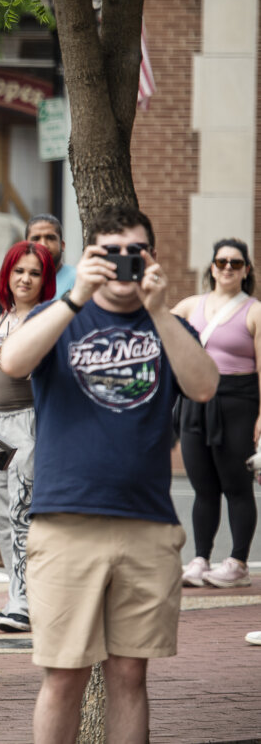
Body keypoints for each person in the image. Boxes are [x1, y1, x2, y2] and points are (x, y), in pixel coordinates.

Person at [0, 205, 218, 743]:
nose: (124, 264)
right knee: (64, 675)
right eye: (110, 252)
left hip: (146, 523)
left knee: (129, 673)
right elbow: (13, 362)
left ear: (153, 258)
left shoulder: (170, 325)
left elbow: (205, 385)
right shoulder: (58, 316)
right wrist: (75, 295)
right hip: (66, 521)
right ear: (90, 255)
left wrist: (160, 311)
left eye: (135, 253)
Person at [172, 238, 260, 588]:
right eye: (221, 262)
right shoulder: (192, 304)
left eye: (235, 263)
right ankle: (200, 558)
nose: (227, 268)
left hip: (238, 402)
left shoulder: (254, 311)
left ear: (246, 270)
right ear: (211, 267)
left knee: (236, 485)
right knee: (202, 486)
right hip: (195, 402)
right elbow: (156, 325)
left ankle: (237, 563)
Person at [0, 241, 56, 633]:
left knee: (22, 515)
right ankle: (17, 595)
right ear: (7, 275)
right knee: (2, 518)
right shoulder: (5, 314)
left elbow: (41, 371)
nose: (25, 278)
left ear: (45, 280)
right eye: (19, 271)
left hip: (28, 424)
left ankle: (24, 601)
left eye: (34, 272)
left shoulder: (46, 318)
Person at [26, 214, 77, 298]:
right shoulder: (18, 282)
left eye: (50, 238)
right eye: (36, 238)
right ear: (25, 246)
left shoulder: (78, 281)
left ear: (62, 245)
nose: (43, 244)